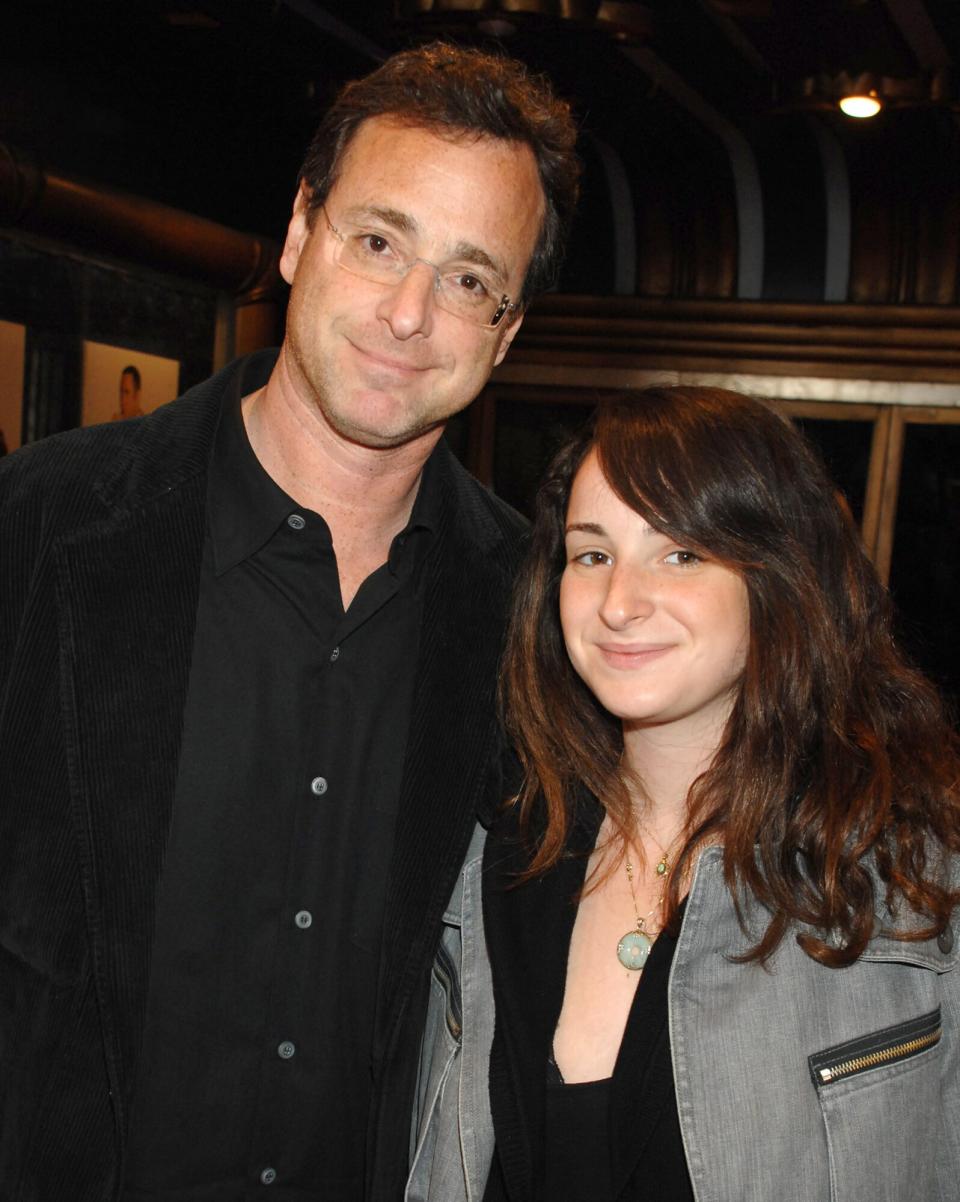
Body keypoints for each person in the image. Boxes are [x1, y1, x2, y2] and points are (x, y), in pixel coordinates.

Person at [0, 43, 579, 1200]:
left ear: (506, 333)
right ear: (299, 234)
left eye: (470, 279)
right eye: (379, 241)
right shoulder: (41, 524)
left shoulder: (538, 613)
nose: (410, 314)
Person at [416, 387, 960, 1202]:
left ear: (778, 576)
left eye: (681, 554)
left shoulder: (912, 877)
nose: (619, 603)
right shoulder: (496, 851)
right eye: (592, 554)